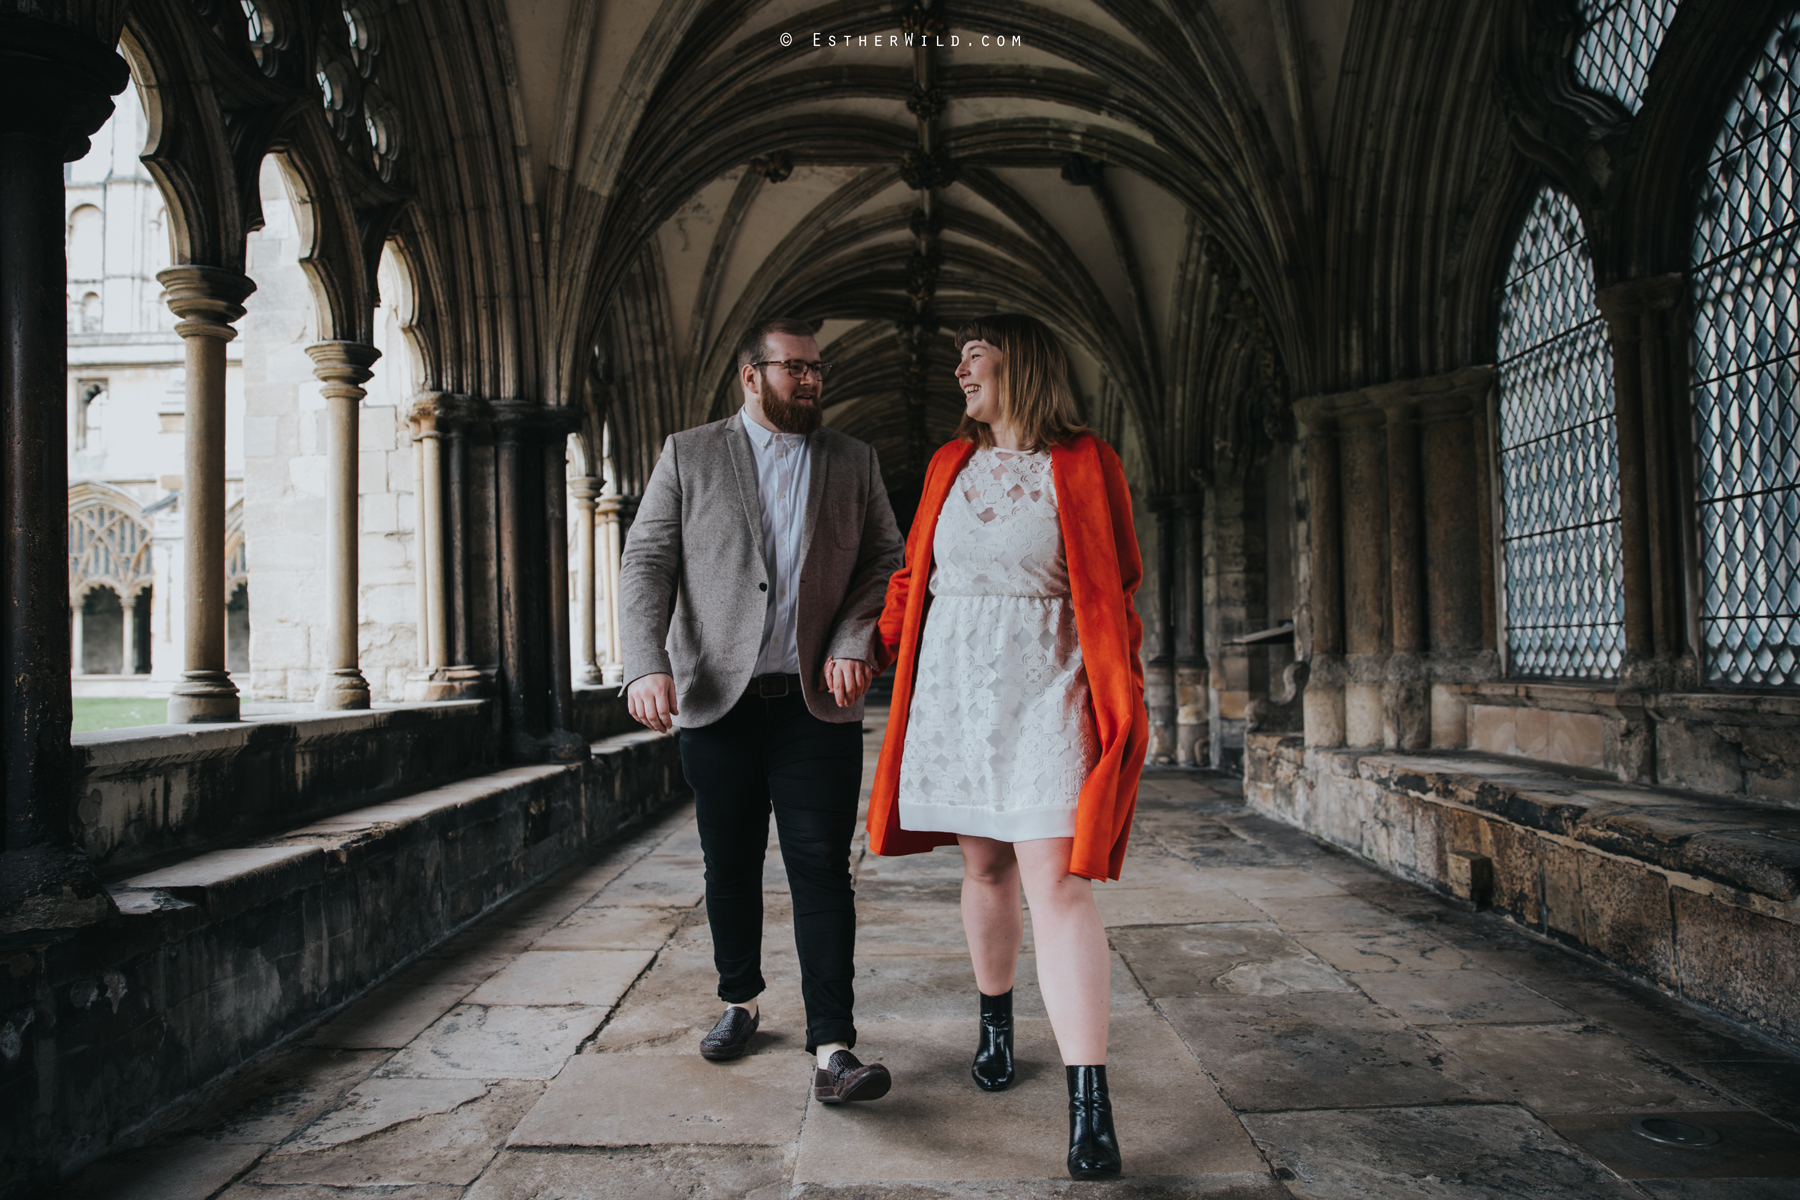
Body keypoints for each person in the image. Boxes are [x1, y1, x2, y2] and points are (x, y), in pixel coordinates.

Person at [867, 313, 1147, 1179]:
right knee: (984, 869)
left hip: (1049, 691)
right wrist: (873, 643)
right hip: (954, 692)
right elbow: (917, 573)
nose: (959, 370)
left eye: (973, 356)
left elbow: (1117, 579)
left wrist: (1124, 692)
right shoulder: (950, 464)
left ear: (1019, 363)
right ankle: (995, 1020)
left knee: (1057, 886)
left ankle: (1089, 1101)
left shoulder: (1088, 461)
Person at [619, 316, 905, 1105]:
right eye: (795, 369)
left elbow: (888, 558)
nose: (812, 380)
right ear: (752, 375)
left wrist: (855, 638)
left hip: (816, 703)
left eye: (818, 369)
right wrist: (645, 662)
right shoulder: (690, 452)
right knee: (731, 863)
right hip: (719, 700)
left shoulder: (854, 459)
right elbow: (647, 558)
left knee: (821, 867)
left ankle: (834, 1047)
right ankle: (739, 1000)